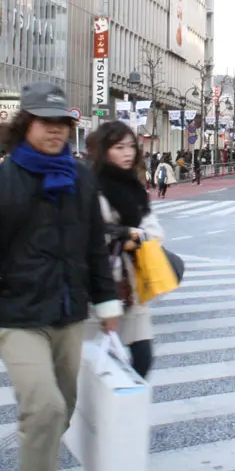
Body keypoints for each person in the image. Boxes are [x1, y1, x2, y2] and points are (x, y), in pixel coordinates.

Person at [0, 82, 121, 471]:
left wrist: (107, 303)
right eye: (45, 121)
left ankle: (36, 468)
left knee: (63, 411)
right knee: (45, 409)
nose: (56, 130)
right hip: (16, 316)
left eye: (62, 122)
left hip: (69, 312)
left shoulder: (79, 178)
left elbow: (94, 244)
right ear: (24, 124)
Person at [88, 121, 162, 378]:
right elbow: (88, 232)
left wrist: (135, 236)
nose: (128, 153)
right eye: (119, 147)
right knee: (97, 362)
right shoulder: (90, 186)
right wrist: (123, 235)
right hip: (99, 284)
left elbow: (153, 230)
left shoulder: (134, 187)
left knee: (143, 358)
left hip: (131, 286)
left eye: (131, 146)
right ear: (104, 150)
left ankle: (123, 407)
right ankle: (99, 414)